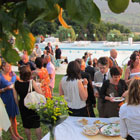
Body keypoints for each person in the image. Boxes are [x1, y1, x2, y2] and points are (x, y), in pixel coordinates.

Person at [13, 65, 42, 140]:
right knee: (37, 125)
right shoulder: (32, 82)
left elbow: (15, 97)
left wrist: (18, 105)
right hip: (33, 104)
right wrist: (39, 87)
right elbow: (40, 93)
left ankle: (29, 139)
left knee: (26, 125)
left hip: (23, 105)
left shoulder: (16, 83)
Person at [0, 62, 23, 140]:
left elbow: (19, 80)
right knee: (8, 117)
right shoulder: (0, 77)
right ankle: (12, 135)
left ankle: (16, 133)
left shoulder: (12, 74)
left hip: (13, 97)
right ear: (2, 67)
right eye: (7, 67)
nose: (9, 68)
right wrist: (5, 89)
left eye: (10, 66)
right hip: (5, 98)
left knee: (14, 117)